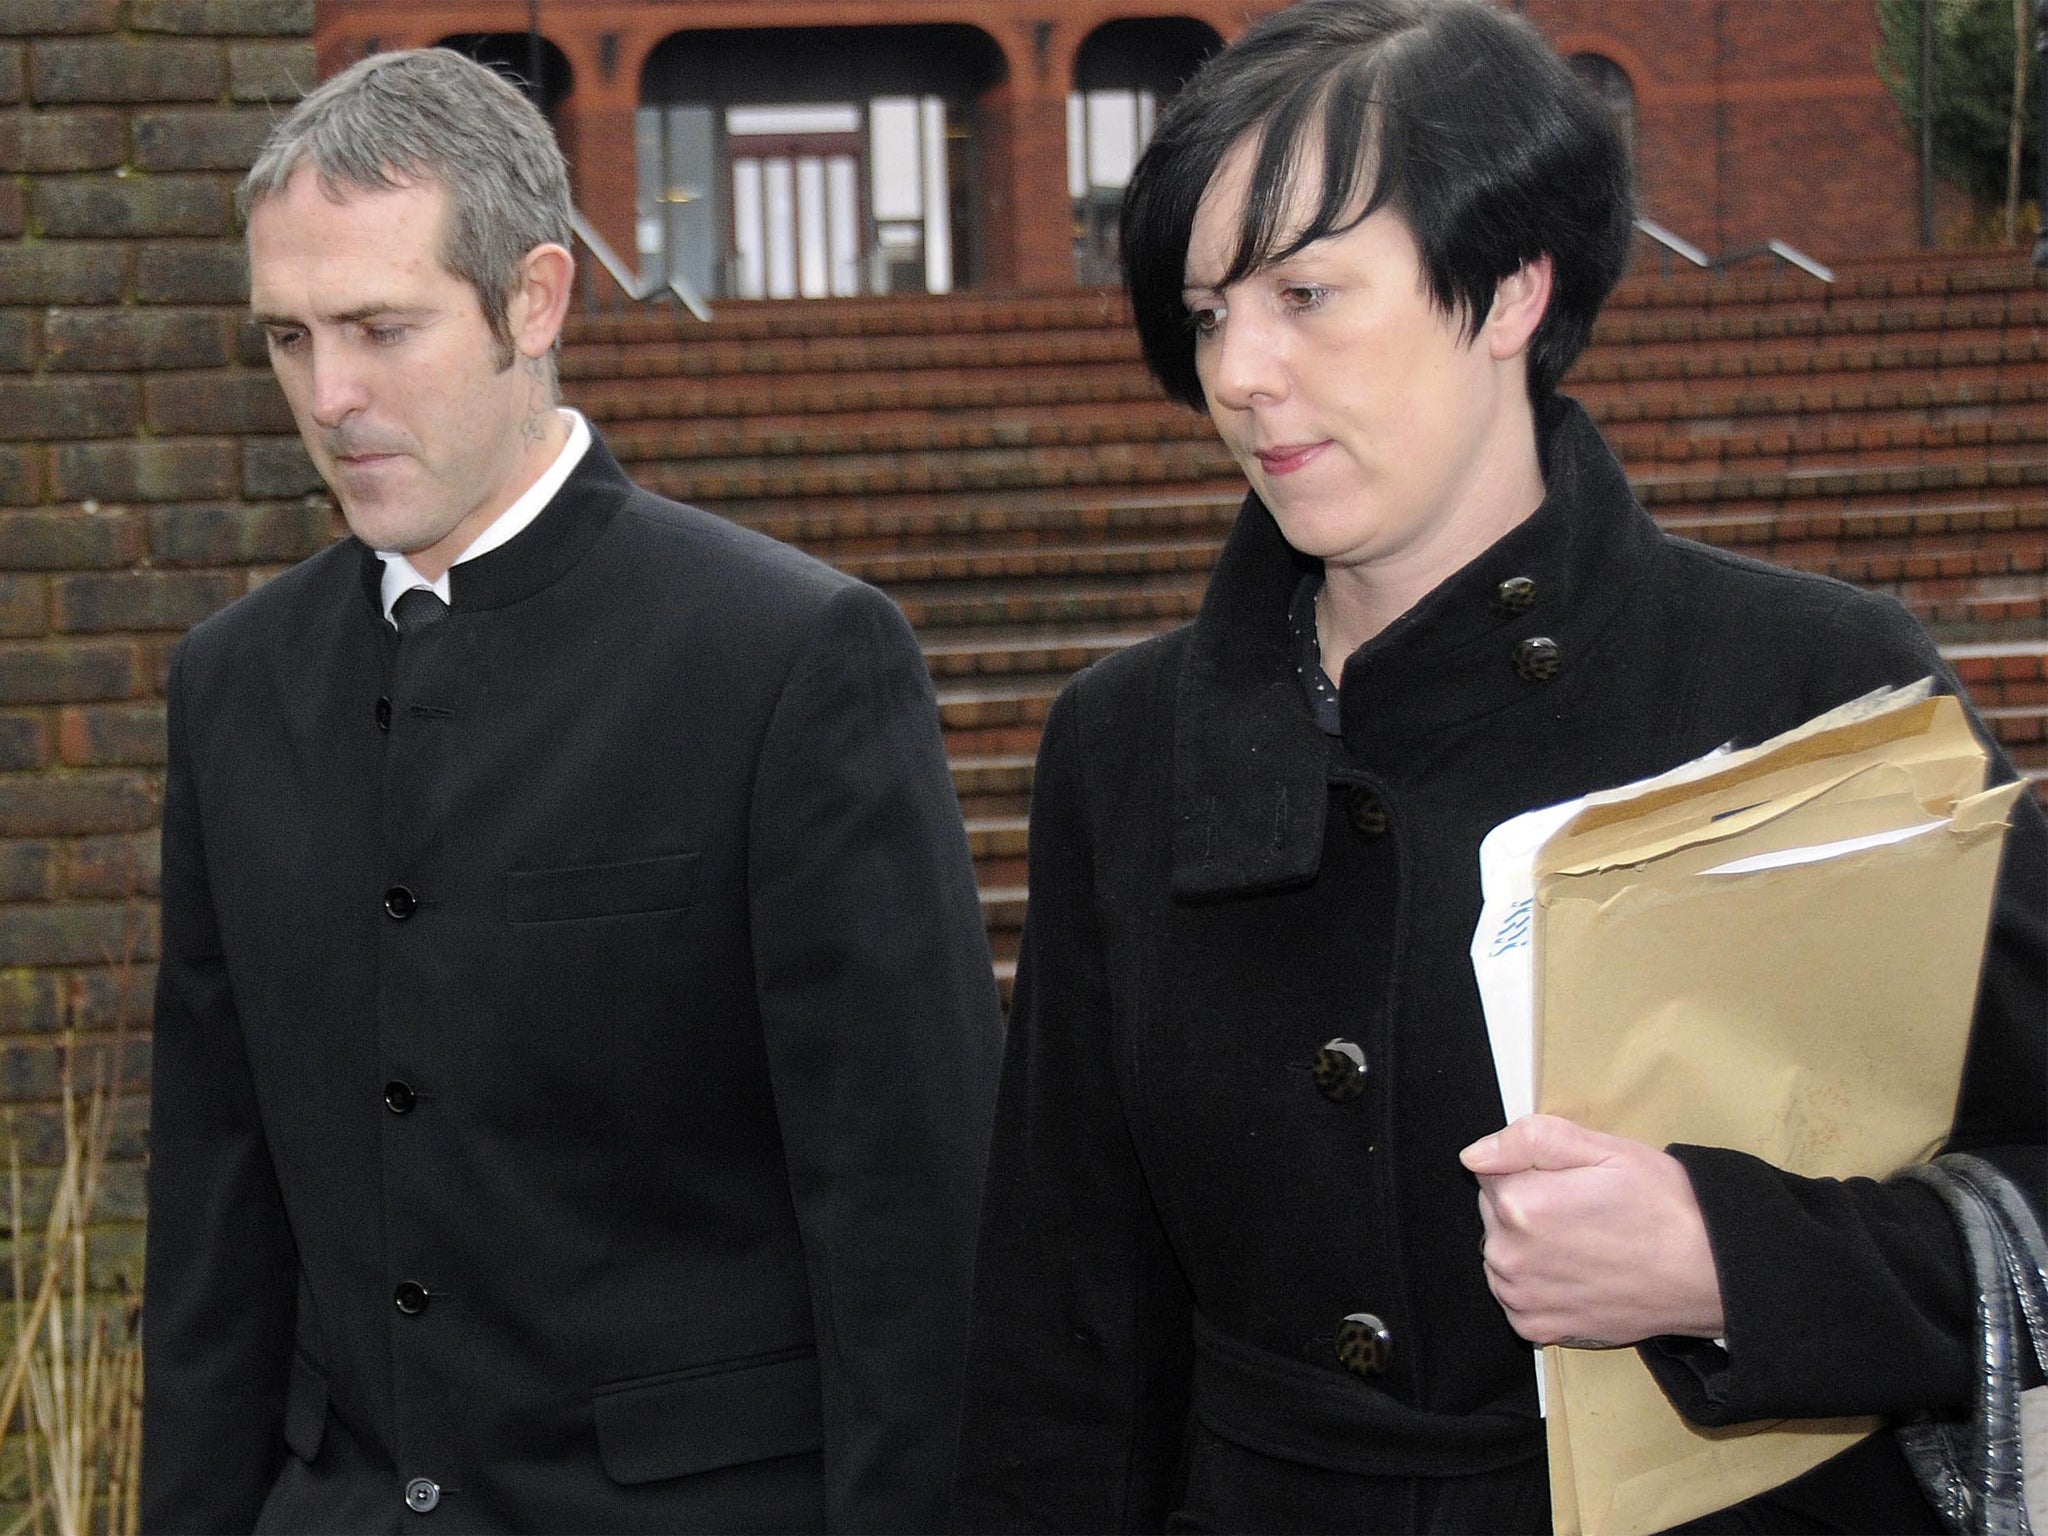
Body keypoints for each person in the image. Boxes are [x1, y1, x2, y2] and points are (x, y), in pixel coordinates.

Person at [950, 2, 2048, 1531]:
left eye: (1307, 293)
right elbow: (1064, 1328)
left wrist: (1734, 1258)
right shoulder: (1127, 744)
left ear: (1513, 290)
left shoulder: (1814, 688)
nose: (1243, 372)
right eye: (1207, 313)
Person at [141, 47, 1004, 1534]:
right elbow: (218, 1220)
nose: (328, 395)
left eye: (379, 328)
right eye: (286, 337)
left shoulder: (788, 657)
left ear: (535, 300)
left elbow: (915, 1231)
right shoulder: (231, 685)